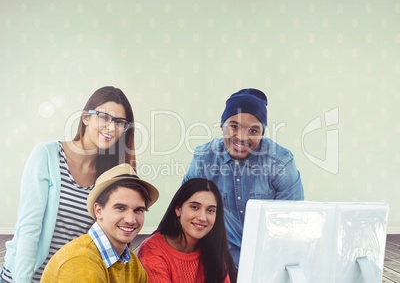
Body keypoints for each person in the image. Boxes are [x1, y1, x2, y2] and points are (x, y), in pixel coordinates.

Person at [1, 86, 136, 283]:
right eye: (104, 117)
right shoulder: (47, 155)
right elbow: (29, 228)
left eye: (119, 122)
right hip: (23, 277)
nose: (111, 127)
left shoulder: (111, 175)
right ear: (85, 118)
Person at [182, 88, 304, 267]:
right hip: (216, 263)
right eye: (233, 126)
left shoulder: (281, 163)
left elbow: (293, 222)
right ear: (221, 125)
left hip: (267, 263)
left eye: (253, 131)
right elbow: (185, 211)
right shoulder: (203, 158)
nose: (241, 137)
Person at [40, 163, 159, 282]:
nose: (131, 219)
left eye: (138, 210)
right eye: (120, 208)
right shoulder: (81, 260)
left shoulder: (131, 263)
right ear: (98, 211)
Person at [137, 178, 237, 283]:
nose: (202, 217)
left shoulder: (216, 250)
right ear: (178, 209)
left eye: (210, 210)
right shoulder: (153, 249)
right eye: (195, 207)